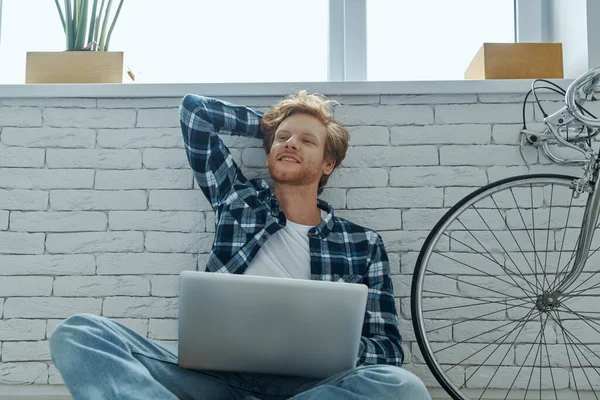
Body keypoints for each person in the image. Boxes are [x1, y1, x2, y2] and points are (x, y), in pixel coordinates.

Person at [50, 91, 431, 400]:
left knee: (404, 388)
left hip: (309, 388)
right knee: (79, 334)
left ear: (328, 163)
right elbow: (195, 112)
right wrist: (272, 126)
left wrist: (332, 346)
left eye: (306, 140)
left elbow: (388, 350)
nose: (290, 144)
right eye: (282, 139)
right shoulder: (238, 201)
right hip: (214, 382)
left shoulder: (361, 243)